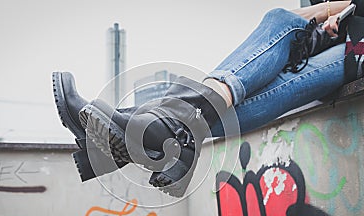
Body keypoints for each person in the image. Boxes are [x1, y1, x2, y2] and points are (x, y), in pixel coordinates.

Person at [53, 0, 363, 197]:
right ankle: (172, 134)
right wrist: (331, 14)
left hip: (358, 51)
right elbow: (294, 21)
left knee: (277, 20)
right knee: (276, 24)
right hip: (326, 49)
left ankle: (159, 136)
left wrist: (337, 8)